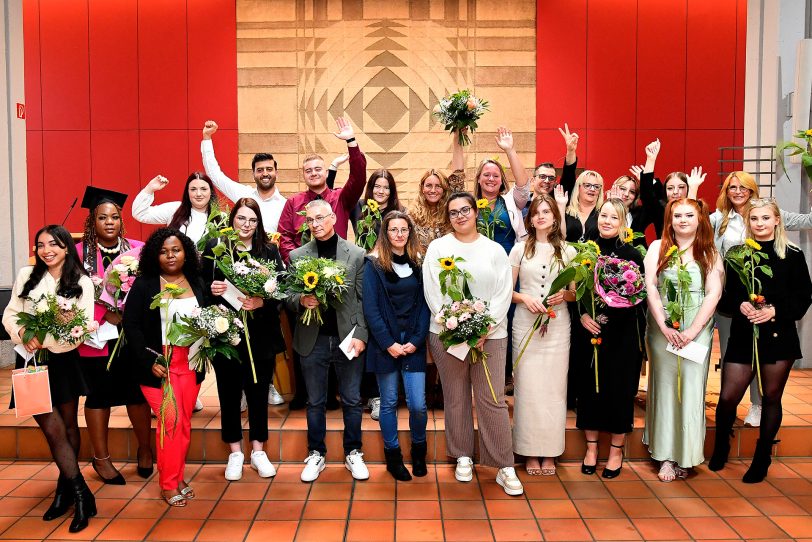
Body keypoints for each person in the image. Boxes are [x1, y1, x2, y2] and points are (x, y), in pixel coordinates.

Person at [423, 192, 523, 496]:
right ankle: (463, 455)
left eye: (465, 209)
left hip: (490, 336)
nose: (460, 216)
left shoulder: (493, 250)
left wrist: (483, 328)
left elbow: (504, 292)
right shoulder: (438, 248)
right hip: (447, 333)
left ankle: (503, 465)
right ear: (447, 217)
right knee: (455, 397)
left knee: (491, 399)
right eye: (453, 212)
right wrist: (455, 326)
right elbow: (433, 291)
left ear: (475, 212)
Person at [710, 199, 812, 483]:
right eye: (754, 219)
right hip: (744, 334)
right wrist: (739, 304)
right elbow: (727, 295)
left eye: (766, 218)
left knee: (770, 397)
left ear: (777, 220)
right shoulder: (737, 253)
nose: (760, 223)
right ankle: (721, 447)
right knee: (728, 397)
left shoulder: (792, 254)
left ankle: (762, 454)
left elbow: (804, 296)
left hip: (778, 336)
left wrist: (775, 310)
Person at [2, 225, 96, 533]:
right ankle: (82, 492)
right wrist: (25, 333)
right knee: (52, 429)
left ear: (67, 247)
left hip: (63, 359)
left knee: (69, 425)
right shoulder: (26, 275)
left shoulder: (81, 281)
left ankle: (64, 490)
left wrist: (48, 338)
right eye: (40, 245)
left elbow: (78, 329)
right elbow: (11, 313)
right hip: (30, 360)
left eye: (53, 244)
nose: (46, 250)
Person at [285, 199, 369, 482]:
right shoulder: (298, 256)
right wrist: (300, 300)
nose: (316, 224)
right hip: (313, 339)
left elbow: (362, 300)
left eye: (321, 218)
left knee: (352, 399)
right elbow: (286, 295)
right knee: (315, 401)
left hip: (347, 338)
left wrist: (360, 335)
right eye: (310, 220)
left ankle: (353, 452)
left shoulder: (356, 254)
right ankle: (316, 453)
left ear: (333, 218)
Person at [203, 198, 286, 481]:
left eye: (252, 220)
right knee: (228, 393)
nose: (246, 225)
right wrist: (213, 289)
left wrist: (261, 301)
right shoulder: (217, 250)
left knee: (258, 393)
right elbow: (202, 289)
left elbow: (281, 291)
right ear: (232, 220)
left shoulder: (269, 251)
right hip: (225, 332)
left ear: (258, 223)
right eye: (241, 219)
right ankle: (235, 452)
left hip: (260, 335)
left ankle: (258, 450)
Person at [123, 228, 206, 507]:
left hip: (191, 364)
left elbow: (208, 316)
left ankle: (177, 475)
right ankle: (168, 484)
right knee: (169, 425)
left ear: (186, 253)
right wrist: (149, 360)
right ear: (155, 255)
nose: (170, 256)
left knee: (183, 426)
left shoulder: (196, 280)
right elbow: (131, 325)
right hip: (159, 367)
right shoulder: (146, 283)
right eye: (163, 251)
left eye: (176, 250)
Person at [75, 187, 152, 485]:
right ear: (92, 222)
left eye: (115, 217)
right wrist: (103, 313)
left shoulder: (138, 250)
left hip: (133, 335)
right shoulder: (78, 254)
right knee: (99, 395)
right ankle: (101, 459)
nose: (109, 222)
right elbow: (69, 295)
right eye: (102, 217)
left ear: (121, 220)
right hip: (96, 337)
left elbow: (149, 290)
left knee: (137, 391)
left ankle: (145, 450)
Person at [643, 198, 723, 481]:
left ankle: (685, 455)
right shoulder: (657, 248)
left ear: (699, 219)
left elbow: (713, 293)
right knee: (665, 389)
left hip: (696, 328)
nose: (683, 220)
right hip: (662, 327)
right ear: (670, 220)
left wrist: (692, 331)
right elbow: (651, 287)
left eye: (689, 215)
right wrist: (664, 325)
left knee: (690, 390)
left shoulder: (709, 251)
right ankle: (665, 455)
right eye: (677, 215)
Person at [575, 199, 646, 479]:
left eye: (613, 218)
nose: (606, 221)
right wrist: (582, 315)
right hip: (590, 330)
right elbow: (576, 290)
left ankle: (616, 451)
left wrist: (620, 300)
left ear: (623, 223)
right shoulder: (585, 251)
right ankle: (591, 449)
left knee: (619, 391)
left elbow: (639, 297)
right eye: (603, 216)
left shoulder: (632, 254)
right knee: (589, 390)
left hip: (622, 334)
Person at [510, 195, 576, 476]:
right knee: (527, 389)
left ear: (555, 216)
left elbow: (576, 294)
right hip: (525, 325)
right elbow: (507, 292)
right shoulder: (519, 250)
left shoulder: (568, 251)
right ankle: (527, 451)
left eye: (546, 211)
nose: (541, 217)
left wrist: (565, 295)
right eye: (536, 212)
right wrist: (525, 299)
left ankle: (550, 452)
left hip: (558, 328)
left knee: (554, 390)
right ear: (530, 218)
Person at [362, 211, 430, 481]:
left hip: (413, 341)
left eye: (404, 229)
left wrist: (415, 341)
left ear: (409, 233)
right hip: (385, 344)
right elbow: (371, 308)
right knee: (388, 402)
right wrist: (389, 343)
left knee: (417, 404)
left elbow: (426, 304)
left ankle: (418, 452)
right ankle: (393, 457)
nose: (399, 234)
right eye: (394, 230)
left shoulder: (419, 263)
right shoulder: (374, 265)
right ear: (386, 234)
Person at [277, 116, 368, 262]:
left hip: (339, 269)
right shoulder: (293, 202)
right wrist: (297, 264)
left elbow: (358, 178)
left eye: (318, 169)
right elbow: (284, 236)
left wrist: (351, 141)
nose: (313, 173)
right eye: (308, 171)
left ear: (326, 173)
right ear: (304, 176)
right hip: (304, 273)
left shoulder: (341, 198)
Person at [201, 120, 287, 232]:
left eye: (269, 169)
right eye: (260, 170)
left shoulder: (284, 205)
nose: (265, 173)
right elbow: (215, 175)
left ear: (276, 173)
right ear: (253, 174)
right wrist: (207, 138)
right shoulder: (244, 195)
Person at [471, 126, 531, 252]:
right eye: (486, 175)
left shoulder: (511, 201)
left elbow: (523, 185)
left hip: (509, 264)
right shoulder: (470, 205)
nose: (491, 179)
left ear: (501, 181)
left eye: (496, 176)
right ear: (478, 179)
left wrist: (510, 150)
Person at [410, 130, 466, 256]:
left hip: (450, 266)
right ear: (422, 189)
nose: (433, 190)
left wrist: (458, 136)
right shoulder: (412, 216)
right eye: (429, 185)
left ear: (444, 189)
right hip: (422, 269)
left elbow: (458, 177)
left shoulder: (450, 211)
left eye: (438, 186)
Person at [131, 172, 216, 244]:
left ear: (211, 192)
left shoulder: (221, 217)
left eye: (203, 189)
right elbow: (140, 214)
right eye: (193, 189)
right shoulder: (175, 209)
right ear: (187, 192)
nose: (198, 194)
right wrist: (149, 189)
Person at [350, 169, 405, 244]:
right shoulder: (358, 206)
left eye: (386, 188)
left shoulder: (400, 212)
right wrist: (333, 169)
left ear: (391, 190)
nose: (381, 191)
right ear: (371, 188)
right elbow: (332, 202)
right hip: (362, 255)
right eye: (377, 186)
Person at [530, 123, 579, 200]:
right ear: (533, 180)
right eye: (542, 176)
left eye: (551, 178)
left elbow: (569, 174)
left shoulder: (559, 202)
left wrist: (571, 151)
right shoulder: (521, 205)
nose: (547, 181)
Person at [564, 170, 604, 242]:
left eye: (596, 187)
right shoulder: (565, 211)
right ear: (578, 187)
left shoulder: (603, 213)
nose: (592, 189)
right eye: (587, 185)